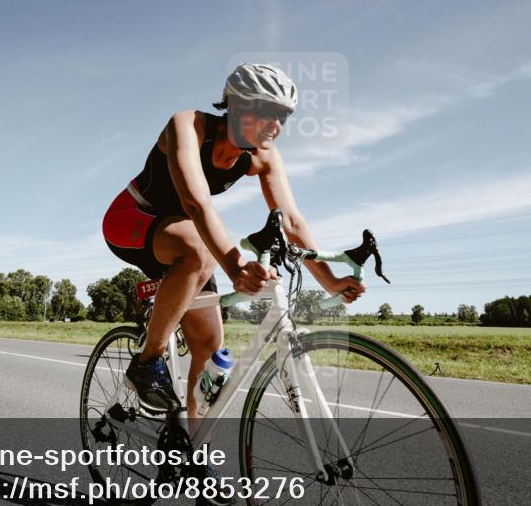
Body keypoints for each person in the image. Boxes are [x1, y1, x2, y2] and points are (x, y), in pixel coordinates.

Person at [102, 64, 365, 419]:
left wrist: (329, 280)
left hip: (185, 235)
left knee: (211, 352)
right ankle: (147, 362)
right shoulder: (188, 125)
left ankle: (193, 453)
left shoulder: (262, 156)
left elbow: (292, 221)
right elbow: (197, 203)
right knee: (198, 249)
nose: (278, 125)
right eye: (269, 113)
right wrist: (235, 266)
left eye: (284, 116)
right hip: (132, 218)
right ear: (238, 106)